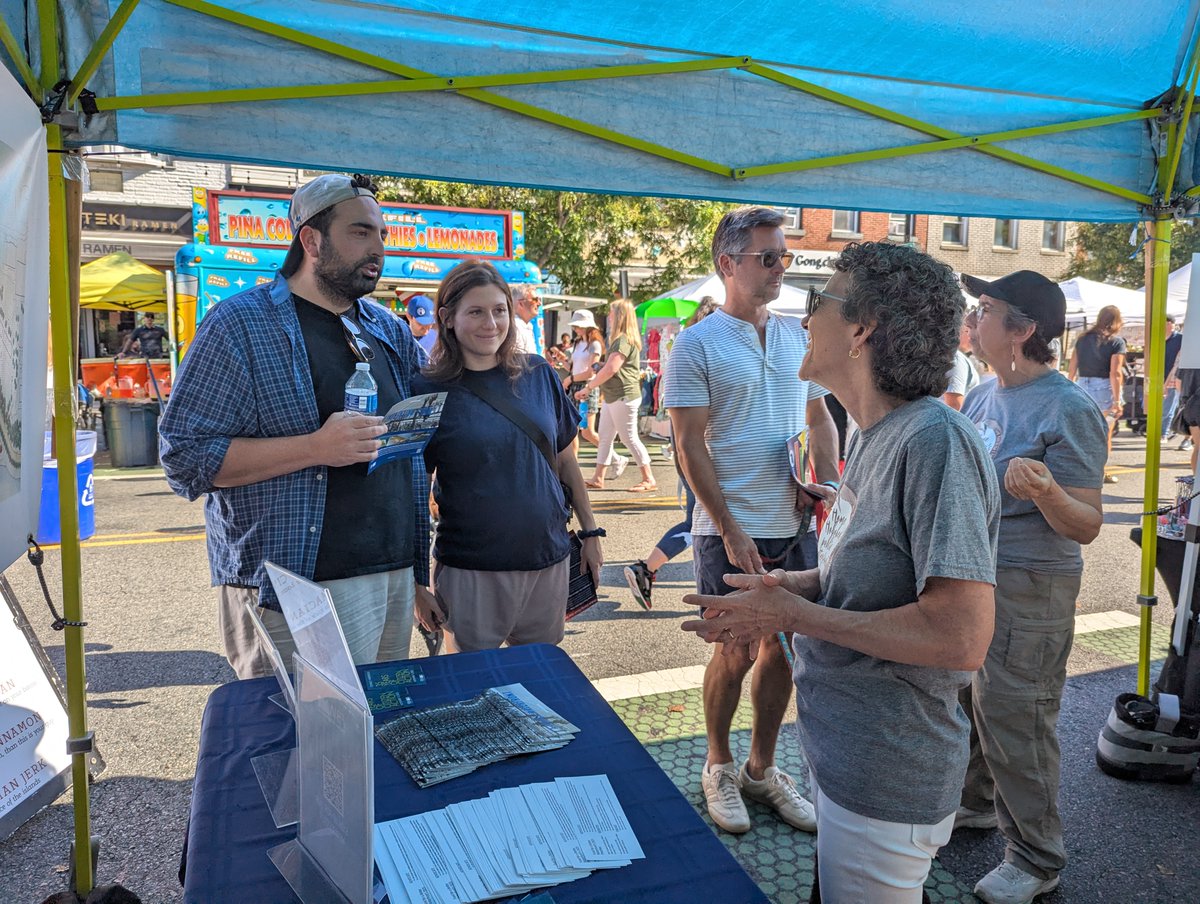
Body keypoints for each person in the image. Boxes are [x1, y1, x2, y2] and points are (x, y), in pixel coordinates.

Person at [681, 240, 1001, 901]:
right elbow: (871, 578)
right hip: (846, 755)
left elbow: (959, 636)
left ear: (862, 330)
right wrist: (787, 589)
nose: (803, 316)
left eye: (818, 301)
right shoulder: (878, 434)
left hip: (888, 771)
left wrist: (795, 616)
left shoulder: (934, 441)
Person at [159, 173, 433, 679]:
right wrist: (315, 447)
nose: (377, 249)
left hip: (392, 575)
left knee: (378, 738)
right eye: (360, 232)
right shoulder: (239, 324)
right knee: (293, 746)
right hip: (294, 586)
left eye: (381, 235)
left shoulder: (388, 329)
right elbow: (186, 459)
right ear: (311, 239)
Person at [665, 206, 839, 837]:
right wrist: (728, 527)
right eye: (769, 257)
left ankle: (761, 771)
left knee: (787, 651)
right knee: (734, 649)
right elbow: (689, 445)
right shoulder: (697, 341)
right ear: (726, 265)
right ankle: (718, 763)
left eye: (783, 256)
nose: (780, 268)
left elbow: (818, 418)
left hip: (796, 522)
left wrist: (827, 482)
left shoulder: (799, 335)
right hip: (727, 528)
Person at [959, 269, 1105, 904]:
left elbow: (1088, 525)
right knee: (971, 701)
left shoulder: (1069, 407)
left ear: (1022, 330)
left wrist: (1046, 491)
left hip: (1031, 585)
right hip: (979, 575)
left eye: (985, 308)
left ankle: (1037, 857)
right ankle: (975, 805)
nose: (973, 318)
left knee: (1018, 715)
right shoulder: (983, 395)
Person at [410, 260, 602, 652]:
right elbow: (412, 492)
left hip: (547, 559)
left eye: (499, 311)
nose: (491, 324)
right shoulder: (426, 389)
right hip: (471, 570)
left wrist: (591, 532)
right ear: (447, 318)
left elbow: (566, 461)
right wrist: (414, 583)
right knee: (473, 695)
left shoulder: (538, 373)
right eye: (476, 312)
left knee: (537, 687)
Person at [624, 297, 720, 609]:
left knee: (698, 521)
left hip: (688, 451)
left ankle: (646, 569)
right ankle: (646, 569)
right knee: (700, 523)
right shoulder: (704, 354)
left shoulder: (688, 350)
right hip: (701, 454)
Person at [577, 299, 656, 492]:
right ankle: (598, 477)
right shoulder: (622, 339)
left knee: (629, 437)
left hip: (623, 395)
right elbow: (611, 368)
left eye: (612, 313)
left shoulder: (622, 340)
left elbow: (612, 369)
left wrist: (589, 387)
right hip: (615, 396)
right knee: (605, 437)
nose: (609, 317)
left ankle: (649, 478)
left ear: (620, 316)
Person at [1068, 304, 1125, 481]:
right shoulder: (1116, 342)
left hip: (1082, 385)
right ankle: (1100, 471)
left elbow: (1072, 366)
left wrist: (1070, 386)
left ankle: (1081, 469)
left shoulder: (1082, 338)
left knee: (1083, 430)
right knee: (1104, 432)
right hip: (1103, 388)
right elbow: (1115, 373)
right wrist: (1117, 401)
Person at [567, 310, 604, 446]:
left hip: (587, 387)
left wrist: (570, 379)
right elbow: (575, 367)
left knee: (587, 431)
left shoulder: (594, 344)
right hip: (575, 386)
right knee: (572, 430)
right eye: (575, 326)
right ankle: (573, 465)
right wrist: (562, 361)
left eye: (578, 326)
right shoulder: (577, 343)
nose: (576, 329)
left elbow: (591, 372)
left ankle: (614, 457)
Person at [942, 319, 979, 410]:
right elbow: (954, 406)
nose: (971, 335)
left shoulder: (953, 356)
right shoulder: (956, 359)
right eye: (967, 330)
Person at [1162, 314, 1183, 439]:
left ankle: (1163, 434)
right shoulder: (1157, 338)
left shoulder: (1181, 339)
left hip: (1173, 378)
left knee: (1167, 408)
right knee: (1153, 408)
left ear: (1170, 323)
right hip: (1157, 378)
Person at [511, 284, 542, 355]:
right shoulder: (515, 328)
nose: (539, 303)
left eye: (539, 300)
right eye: (535, 299)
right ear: (521, 304)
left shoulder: (525, 326)